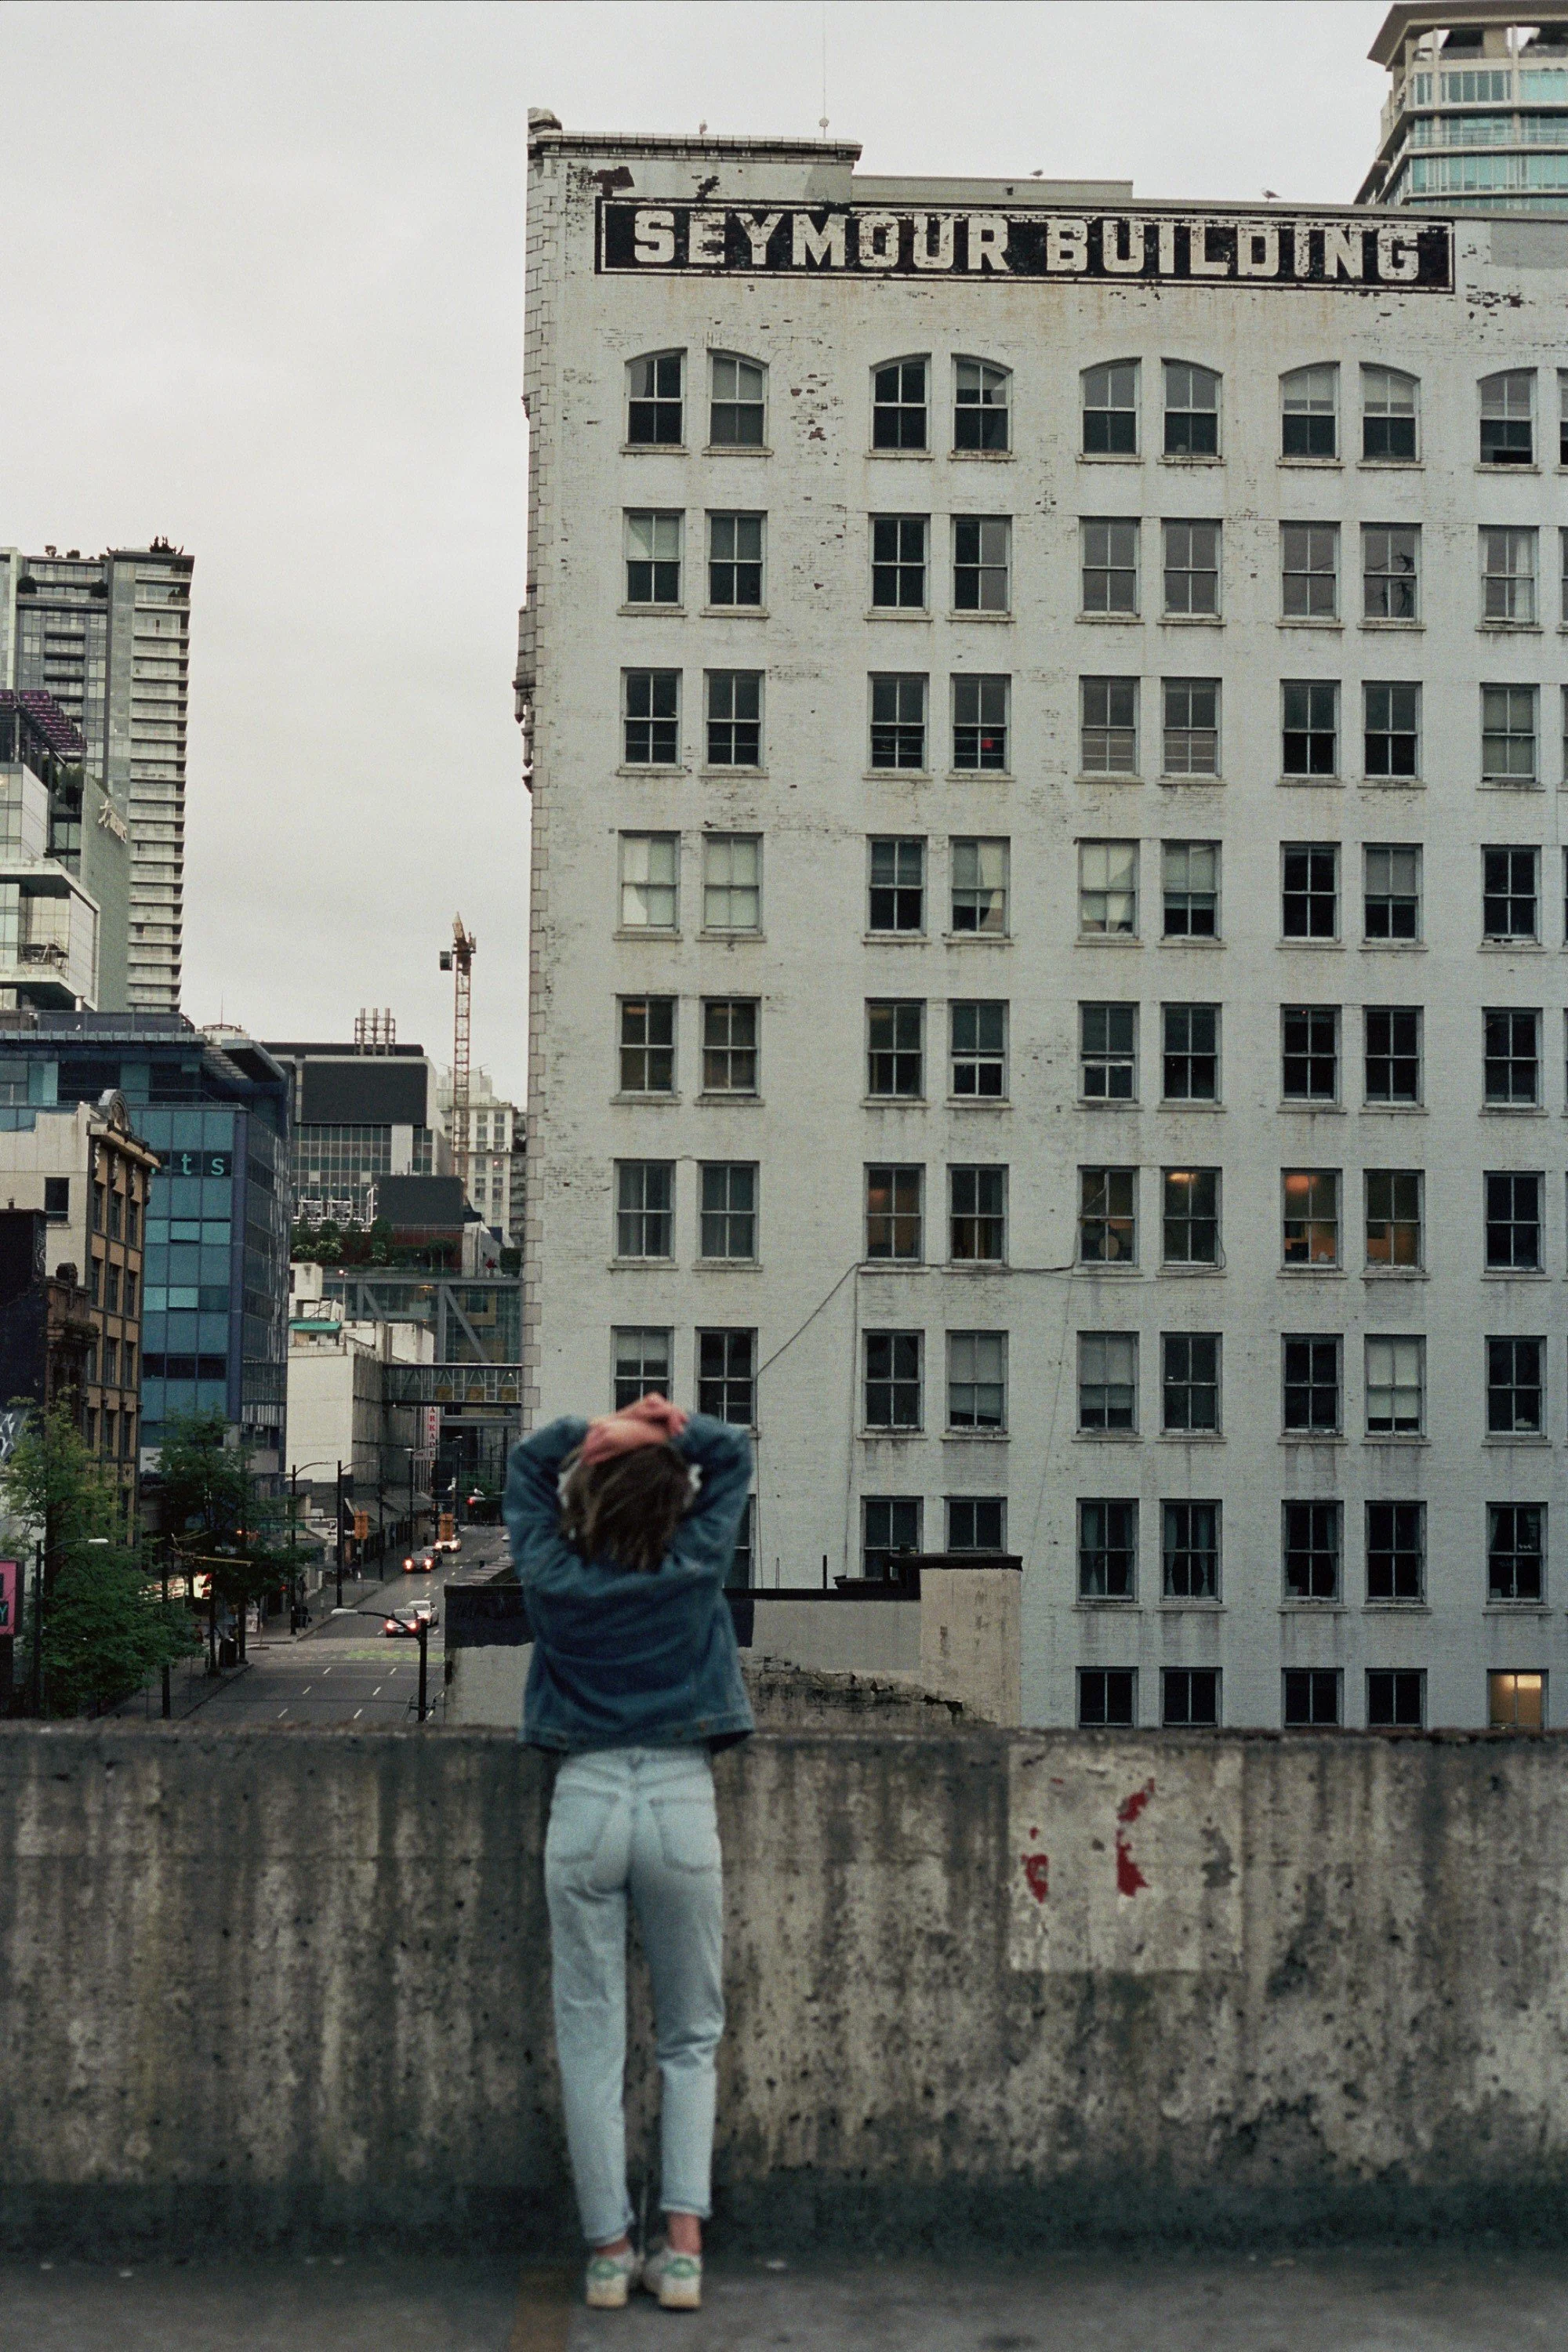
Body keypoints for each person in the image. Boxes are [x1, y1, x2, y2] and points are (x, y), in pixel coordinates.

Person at [504, 1392, 753, 2314]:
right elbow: (732, 1460)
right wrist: (670, 1425)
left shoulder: (552, 1577)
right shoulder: (694, 1565)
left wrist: (597, 1432)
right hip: (680, 1801)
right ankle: (680, 2248)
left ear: (595, 1499)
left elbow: (526, 1468)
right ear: (673, 1504)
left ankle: (608, 2252)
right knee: (690, 2036)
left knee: (591, 2040)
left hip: (587, 1803)